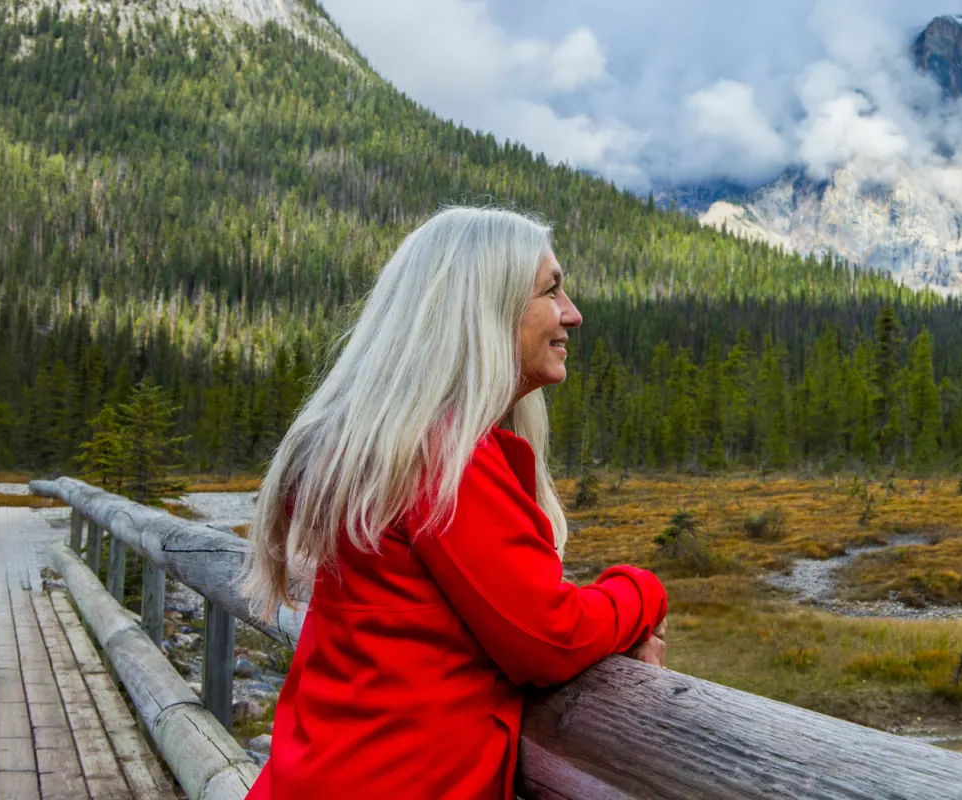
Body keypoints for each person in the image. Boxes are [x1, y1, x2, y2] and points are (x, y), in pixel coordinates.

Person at [241, 207, 669, 798]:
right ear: (485, 308)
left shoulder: (386, 442)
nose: (573, 313)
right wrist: (643, 591)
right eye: (551, 290)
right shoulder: (443, 457)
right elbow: (548, 636)